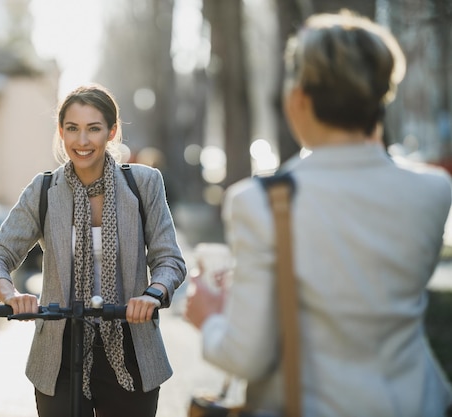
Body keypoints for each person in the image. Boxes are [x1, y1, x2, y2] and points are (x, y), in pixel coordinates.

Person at [184, 10, 452, 417]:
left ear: (299, 99)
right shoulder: (434, 190)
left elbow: (246, 356)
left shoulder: (260, 201)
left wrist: (209, 317)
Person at [0, 84, 187, 417]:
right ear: (61, 132)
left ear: (112, 132)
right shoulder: (44, 190)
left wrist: (152, 294)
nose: (82, 141)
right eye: (72, 129)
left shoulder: (144, 184)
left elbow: (169, 260)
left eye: (94, 129)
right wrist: (12, 295)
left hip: (131, 347)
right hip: (58, 353)